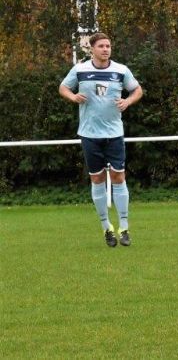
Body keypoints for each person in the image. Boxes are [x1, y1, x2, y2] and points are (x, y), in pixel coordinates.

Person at [59, 32, 143, 248]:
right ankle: (107, 228)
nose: (106, 49)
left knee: (118, 175)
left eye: (108, 46)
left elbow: (137, 90)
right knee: (96, 179)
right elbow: (63, 87)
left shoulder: (121, 70)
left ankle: (124, 227)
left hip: (114, 133)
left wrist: (128, 102)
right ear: (92, 49)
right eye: (102, 46)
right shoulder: (80, 69)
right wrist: (73, 97)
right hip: (89, 134)